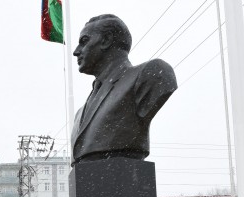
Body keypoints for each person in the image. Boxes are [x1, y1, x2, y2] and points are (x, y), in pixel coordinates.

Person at [71, 14, 177, 163]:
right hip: (89, 177)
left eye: (84, 41)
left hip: (123, 172)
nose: (76, 51)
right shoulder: (79, 114)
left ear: (106, 40)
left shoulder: (150, 73)